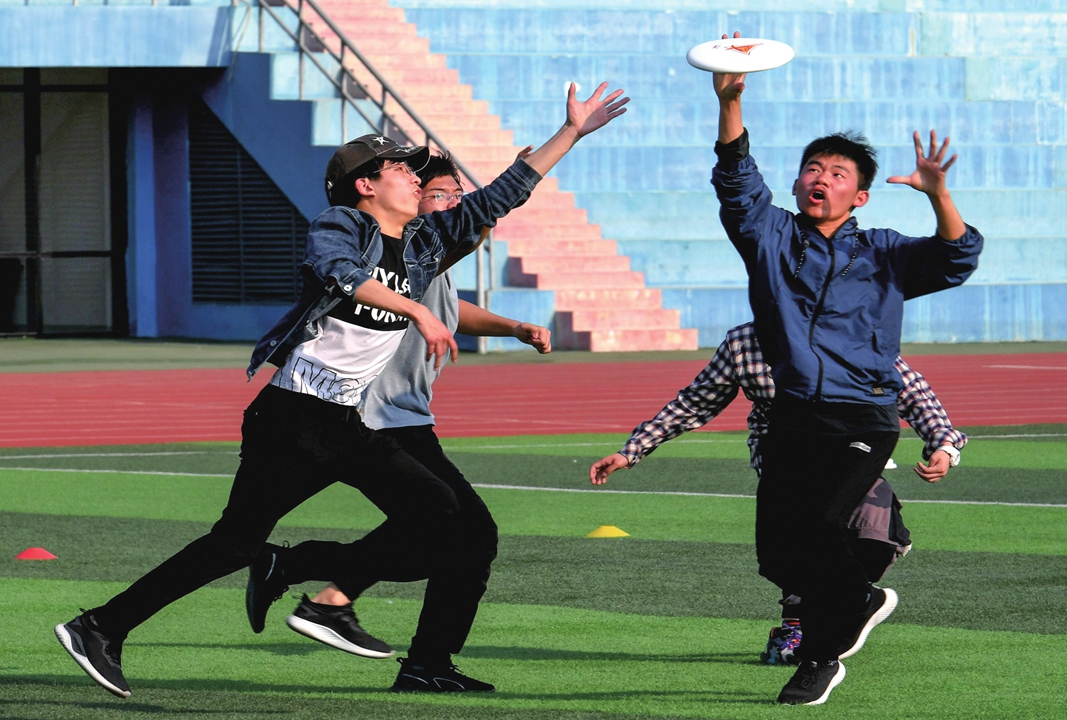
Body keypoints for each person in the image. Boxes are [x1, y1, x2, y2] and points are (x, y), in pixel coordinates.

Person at [54, 81, 628, 699]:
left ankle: (327, 597)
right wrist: (419, 309)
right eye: (400, 169)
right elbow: (341, 275)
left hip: (347, 425)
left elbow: (501, 197)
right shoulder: (341, 224)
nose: (414, 177)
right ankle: (100, 627)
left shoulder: (424, 243)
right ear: (366, 185)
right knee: (232, 544)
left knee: (442, 513)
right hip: (292, 420)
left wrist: (571, 132)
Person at [710, 35, 983, 705]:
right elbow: (737, 186)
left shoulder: (885, 253)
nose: (820, 178)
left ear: (859, 196)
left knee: (820, 525)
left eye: (836, 172)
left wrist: (939, 195)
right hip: (794, 418)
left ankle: (822, 651)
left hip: (862, 416)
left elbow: (956, 259)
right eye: (812, 167)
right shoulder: (771, 238)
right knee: (779, 555)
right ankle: (852, 609)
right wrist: (730, 103)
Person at [243, 152, 552, 694]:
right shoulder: (404, 249)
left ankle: (294, 572)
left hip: (397, 415)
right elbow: (424, 273)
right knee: (465, 533)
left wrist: (511, 327)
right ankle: (346, 609)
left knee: (450, 536)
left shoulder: (428, 256)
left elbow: (450, 309)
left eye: (458, 195)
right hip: (373, 418)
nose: (453, 204)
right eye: (440, 195)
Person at [589, 321, 967, 665]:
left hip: (853, 452)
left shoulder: (850, 333)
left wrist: (944, 444)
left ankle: (844, 607)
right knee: (797, 542)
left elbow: (912, 391)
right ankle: (798, 624)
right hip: (783, 459)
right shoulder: (743, 343)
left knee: (875, 534)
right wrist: (631, 450)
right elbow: (695, 401)